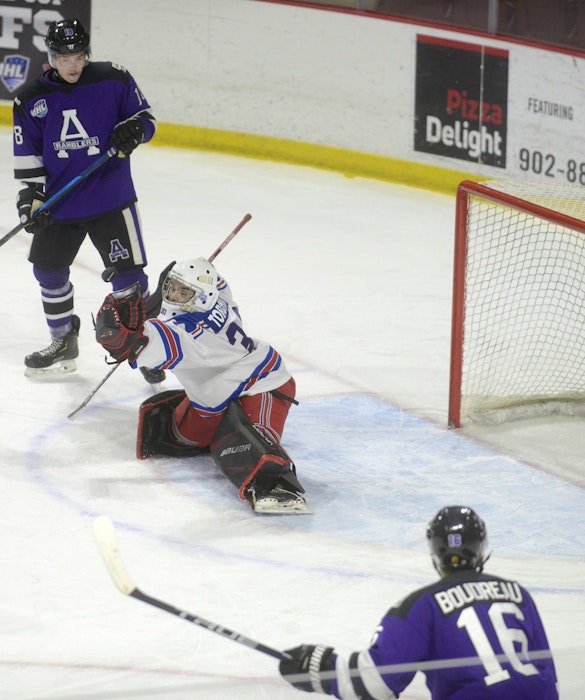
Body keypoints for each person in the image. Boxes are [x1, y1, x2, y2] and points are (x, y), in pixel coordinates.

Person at [94, 256, 308, 515]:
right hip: (216, 392)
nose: (173, 294)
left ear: (202, 297)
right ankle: (227, 424)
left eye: (184, 291)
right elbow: (215, 278)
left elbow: (136, 345)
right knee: (180, 437)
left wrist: (118, 337)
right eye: (173, 286)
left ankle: (277, 486)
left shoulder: (188, 336)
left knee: (255, 445)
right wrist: (194, 272)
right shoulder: (220, 297)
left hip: (262, 382)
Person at [13, 18, 163, 385]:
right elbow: (27, 156)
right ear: (51, 58)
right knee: (47, 272)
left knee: (128, 278)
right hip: (60, 203)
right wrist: (30, 202)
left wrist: (135, 130)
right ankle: (63, 340)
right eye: (65, 58)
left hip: (111, 198)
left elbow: (147, 121)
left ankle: (146, 349)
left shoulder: (114, 78)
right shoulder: (30, 97)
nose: (73, 65)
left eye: (79, 56)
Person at [279, 505, 559, 699]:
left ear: (434, 553)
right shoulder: (518, 593)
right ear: (481, 550)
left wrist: (320, 665)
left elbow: (376, 683)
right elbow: (547, 674)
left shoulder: (421, 606)